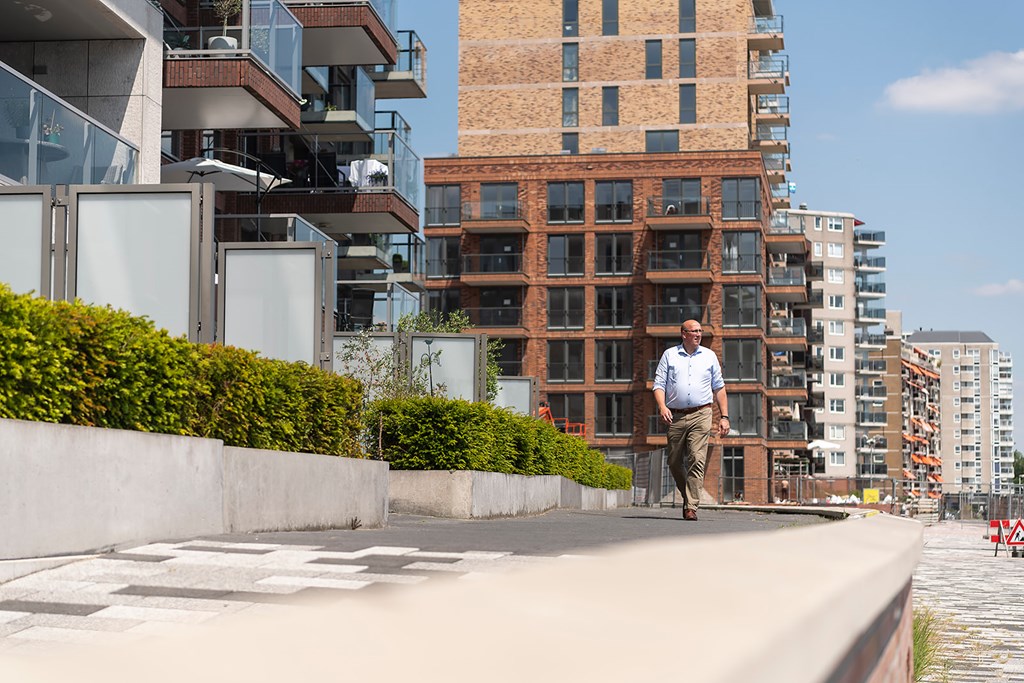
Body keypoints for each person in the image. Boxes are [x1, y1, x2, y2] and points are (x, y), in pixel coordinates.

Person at [652, 320, 729, 521]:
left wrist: (724, 416)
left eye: (699, 331)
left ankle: (691, 506)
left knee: (697, 458)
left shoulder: (709, 356)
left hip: (701, 413)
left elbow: (719, 388)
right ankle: (689, 495)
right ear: (683, 334)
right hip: (675, 415)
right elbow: (658, 384)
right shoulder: (670, 355)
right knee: (674, 461)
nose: (698, 334)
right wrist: (662, 406)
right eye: (693, 331)